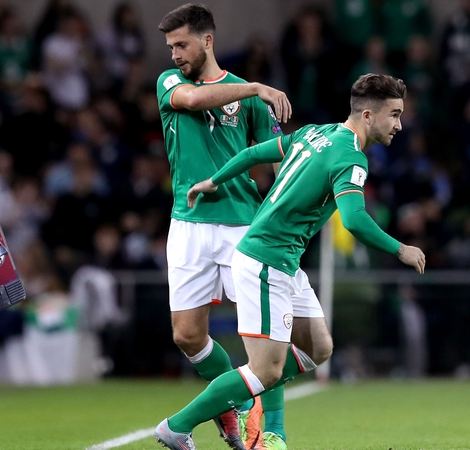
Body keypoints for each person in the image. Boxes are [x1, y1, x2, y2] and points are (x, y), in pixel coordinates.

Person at [154, 73, 426, 449]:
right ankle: (179, 426)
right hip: (266, 262)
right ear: (368, 115)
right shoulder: (351, 158)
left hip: (283, 261)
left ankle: (261, 416)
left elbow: (253, 154)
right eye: (394, 114)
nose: (399, 124)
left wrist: (214, 181)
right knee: (265, 371)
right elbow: (354, 220)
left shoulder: (315, 133)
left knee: (319, 348)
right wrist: (401, 249)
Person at [156, 4, 293, 450]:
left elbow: (274, 157)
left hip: (242, 225)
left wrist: (285, 208)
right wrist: (255, 86)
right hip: (188, 224)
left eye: (182, 45)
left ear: (207, 40)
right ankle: (232, 405)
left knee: (264, 336)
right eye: (171, 46)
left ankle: (271, 432)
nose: (175, 54)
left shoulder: (249, 99)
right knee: (187, 335)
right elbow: (195, 101)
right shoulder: (170, 83)